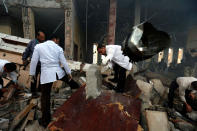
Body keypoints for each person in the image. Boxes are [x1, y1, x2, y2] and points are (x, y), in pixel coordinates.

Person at [29, 35, 79, 127]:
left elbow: (34, 61)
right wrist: (69, 72)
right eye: (58, 40)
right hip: (57, 71)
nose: (58, 42)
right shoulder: (58, 48)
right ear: (55, 39)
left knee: (45, 97)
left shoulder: (38, 47)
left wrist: (31, 74)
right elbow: (63, 62)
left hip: (46, 74)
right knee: (70, 81)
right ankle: (79, 92)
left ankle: (45, 120)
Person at [22, 31, 45, 97]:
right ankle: (33, 92)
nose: (43, 39)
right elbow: (27, 51)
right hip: (34, 64)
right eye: (41, 37)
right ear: (37, 36)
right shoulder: (32, 42)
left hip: (43, 64)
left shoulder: (45, 44)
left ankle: (40, 91)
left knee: (43, 78)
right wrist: (24, 59)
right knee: (33, 78)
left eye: (44, 37)